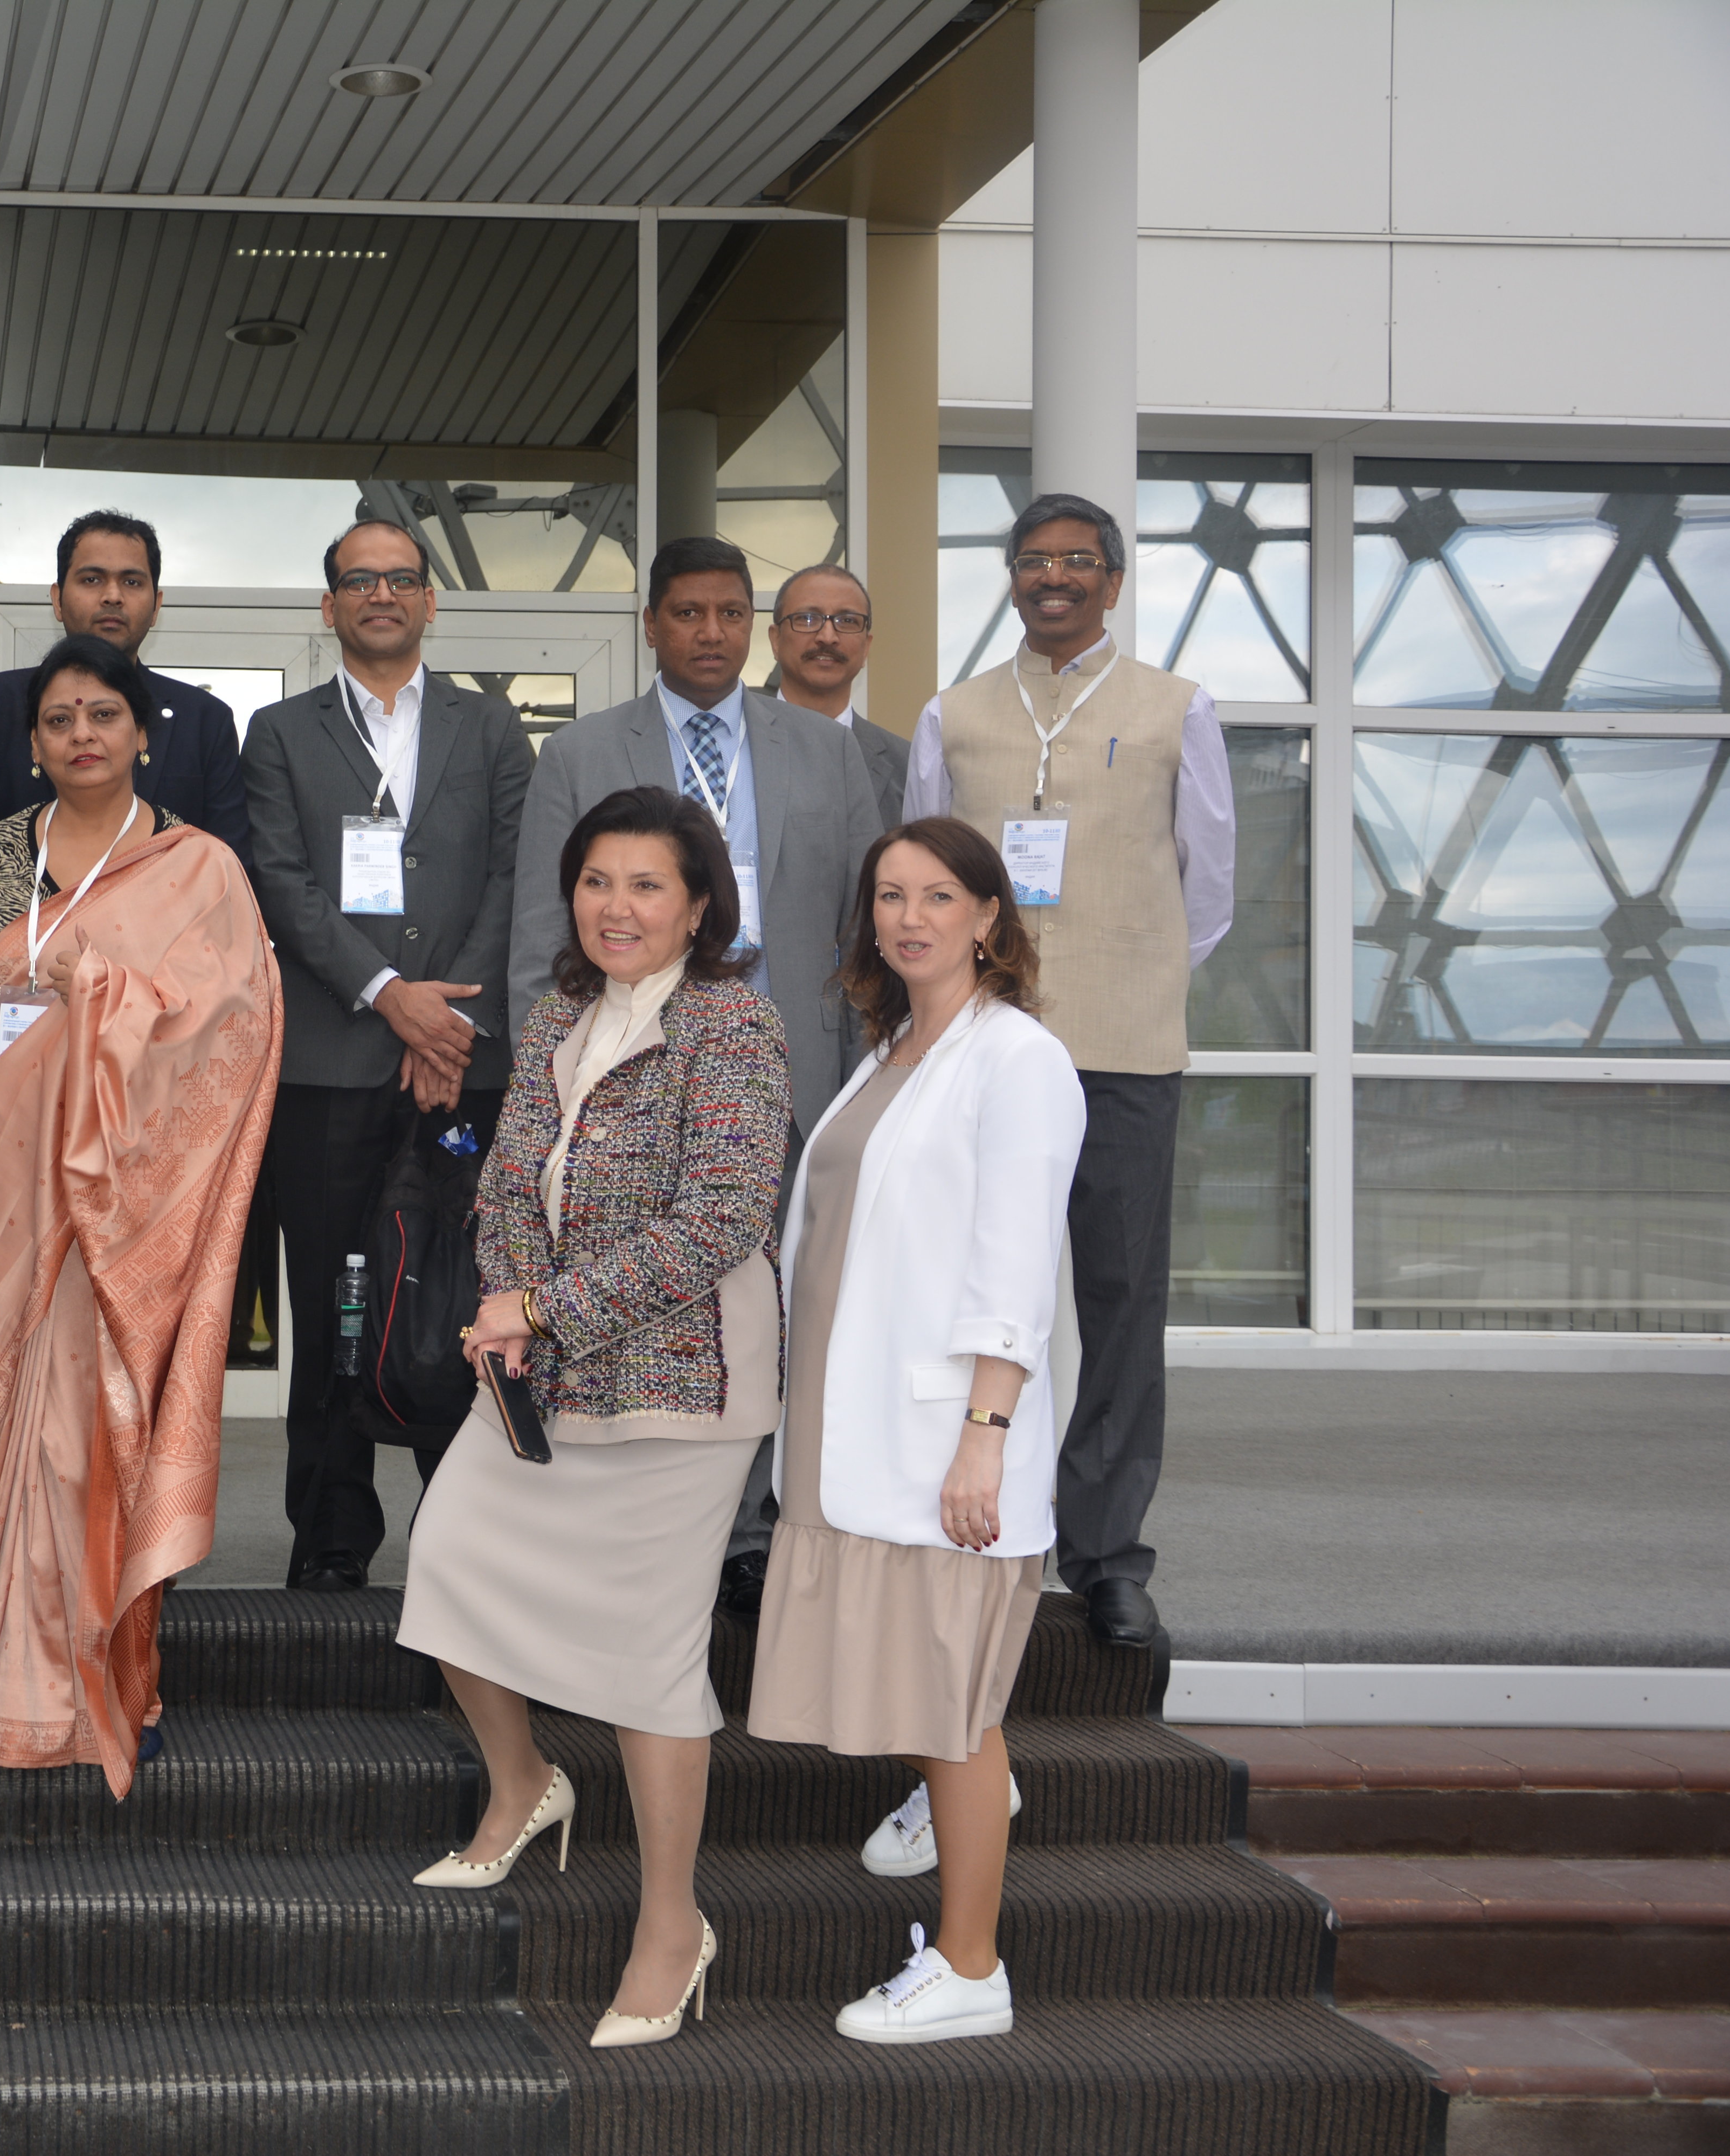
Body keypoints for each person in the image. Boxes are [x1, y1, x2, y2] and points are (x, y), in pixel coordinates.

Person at [399, 785, 790, 2051]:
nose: (616, 906)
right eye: (596, 880)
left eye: (646, 884)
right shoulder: (562, 1011)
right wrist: (510, 1300)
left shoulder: (734, 1023)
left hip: (683, 1386)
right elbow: (512, 1176)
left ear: (699, 904)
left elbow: (723, 1216)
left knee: (650, 1659)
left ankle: (673, 1924)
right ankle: (524, 1782)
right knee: (446, 1561)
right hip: (545, 1375)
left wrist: (542, 1306)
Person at [0, 632, 280, 1796]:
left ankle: (105, 1683)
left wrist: (103, 993)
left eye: (102, 715)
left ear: (141, 732)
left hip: (120, 1210)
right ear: (32, 744)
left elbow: (237, 1033)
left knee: (92, 1439)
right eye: (60, 718)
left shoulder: (200, 868)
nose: (82, 735)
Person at [746, 816, 1085, 2046]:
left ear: (990, 916)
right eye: (890, 896)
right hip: (857, 1430)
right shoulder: (893, 1049)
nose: (910, 917)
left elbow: (1015, 1265)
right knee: (924, 1690)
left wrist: (985, 1434)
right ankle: (954, 1799)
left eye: (940, 895)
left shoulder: (1018, 1059)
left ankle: (971, 1965)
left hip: (947, 1438)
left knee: (952, 1708)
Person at [510, 535, 887, 1618]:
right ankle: (635, 1518)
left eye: (729, 612)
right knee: (643, 1290)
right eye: (688, 612)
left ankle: (759, 1529)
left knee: (784, 1300)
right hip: (636, 1065)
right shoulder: (581, 751)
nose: (711, 632)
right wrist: (551, 1078)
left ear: (752, 625)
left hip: (801, 1066)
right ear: (652, 626)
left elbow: (867, 926)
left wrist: (873, 1067)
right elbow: (543, 930)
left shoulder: (825, 752)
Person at [904, 491, 1235, 1651]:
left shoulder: (1177, 708)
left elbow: (1208, 889)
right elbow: (921, 879)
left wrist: (1125, 970)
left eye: (1077, 560)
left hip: (1124, 1050)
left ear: (1114, 580)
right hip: (980, 1048)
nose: (1055, 577)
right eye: (1035, 559)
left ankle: (1106, 1556)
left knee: (1120, 1302)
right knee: (963, 1288)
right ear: (1010, 577)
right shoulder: (953, 714)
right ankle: (953, 1521)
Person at [247, 516, 530, 1592]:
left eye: (401, 578)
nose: (381, 594)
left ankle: (461, 1539)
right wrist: (388, 996)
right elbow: (281, 882)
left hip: (465, 1067)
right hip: (329, 1067)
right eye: (359, 580)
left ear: (428, 601)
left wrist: (448, 1025)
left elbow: (516, 875)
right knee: (331, 1299)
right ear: (329, 606)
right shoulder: (280, 732)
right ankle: (330, 1538)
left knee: (459, 1295)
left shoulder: (491, 726)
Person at [0, 510, 248, 882]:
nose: (113, 596)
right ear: (57, 599)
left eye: (132, 582)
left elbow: (230, 877)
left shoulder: (204, 721)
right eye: (92, 579)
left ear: (157, 605)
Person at [767, 564, 907, 823]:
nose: (827, 637)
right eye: (808, 619)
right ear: (776, 640)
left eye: (847, 621)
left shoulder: (906, 765)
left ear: (866, 648)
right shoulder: (736, 745)